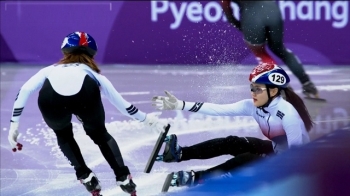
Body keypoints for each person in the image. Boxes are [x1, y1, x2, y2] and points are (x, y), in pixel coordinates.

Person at [7, 31, 166, 196]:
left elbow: (24, 90)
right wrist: (148, 120)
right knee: (100, 135)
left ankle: (84, 174)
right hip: (85, 96)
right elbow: (122, 105)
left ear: (65, 51)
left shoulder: (49, 70)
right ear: (92, 53)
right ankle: (123, 176)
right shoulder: (92, 73)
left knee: (63, 135)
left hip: (51, 100)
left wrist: (14, 125)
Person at [152, 62, 313, 187]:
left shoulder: (288, 115)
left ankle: (198, 179)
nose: (253, 93)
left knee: (248, 159)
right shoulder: (252, 106)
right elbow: (217, 110)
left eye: (258, 89)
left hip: (296, 168)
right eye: (252, 88)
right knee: (233, 142)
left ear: (273, 91)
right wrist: (179, 104)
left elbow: (295, 158)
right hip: (277, 152)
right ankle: (179, 154)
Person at [221, 0, 320, 99]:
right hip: (273, 12)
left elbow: (228, 11)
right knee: (280, 49)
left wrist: (241, 26)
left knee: (260, 53)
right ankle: (307, 84)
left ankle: (282, 86)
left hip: (252, 18)